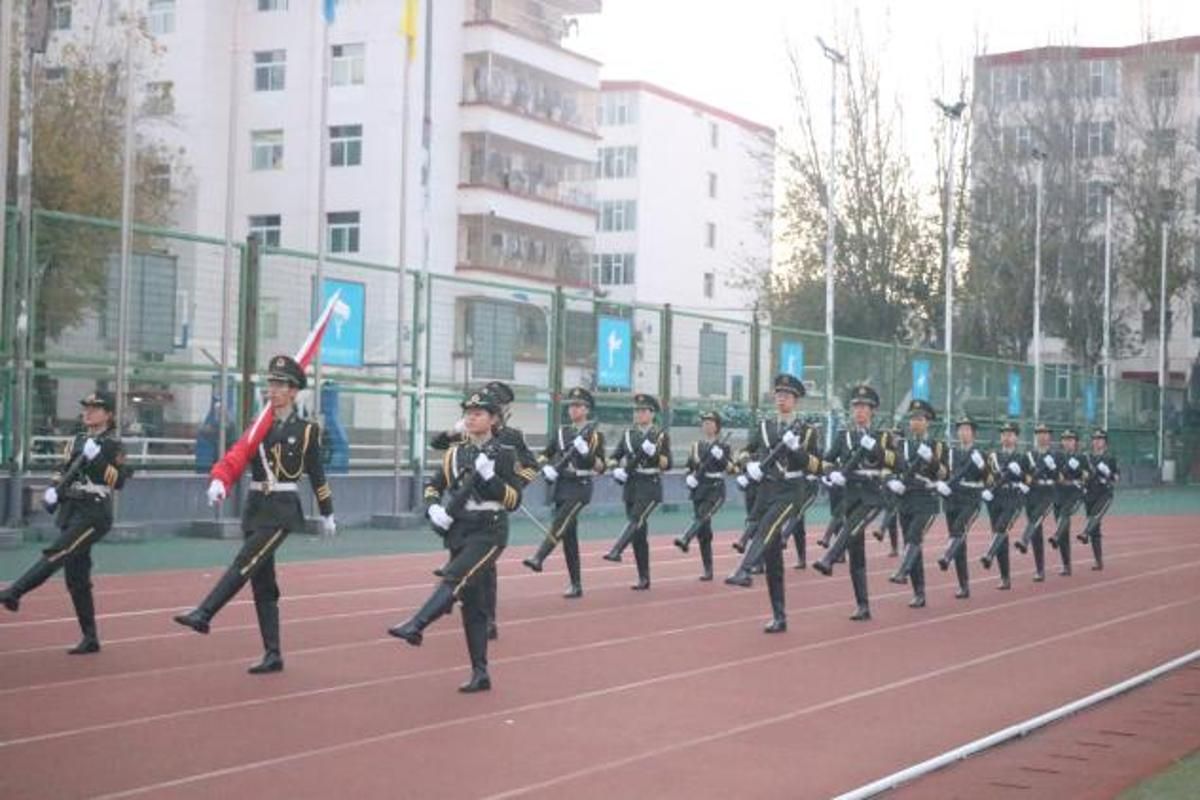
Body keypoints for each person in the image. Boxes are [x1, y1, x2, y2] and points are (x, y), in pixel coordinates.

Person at [174, 355, 335, 674]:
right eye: (271, 383)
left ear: (293, 391)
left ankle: (204, 613)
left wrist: (327, 512)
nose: (272, 389)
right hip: (256, 506)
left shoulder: (307, 431)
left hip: (282, 509)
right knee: (263, 583)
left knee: (245, 561)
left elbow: (317, 474)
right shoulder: (258, 426)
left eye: (279, 385)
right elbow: (237, 456)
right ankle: (273, 654)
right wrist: (221, 481)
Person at [387, 387, 522, 693]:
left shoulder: (504, 454)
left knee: (455, 577)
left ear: (494, 419)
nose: (471, 418)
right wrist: (433, 508)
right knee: (473, 606)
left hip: (490, 531)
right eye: (468, 414)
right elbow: (434, 487)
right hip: (460, 530)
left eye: (478, 414)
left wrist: (491, 478)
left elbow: (514, 500)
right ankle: (480, 673)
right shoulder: (455, 453)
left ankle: (417, 624)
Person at [0, 392, 133, 654]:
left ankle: (15, 591)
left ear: (108, 414)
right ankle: (90, 638)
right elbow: (63, 470)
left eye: (96, 408)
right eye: (87, 407)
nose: (88, 412)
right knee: (77, 578)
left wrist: (98, 459)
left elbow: (118, 481)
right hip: (71, 509)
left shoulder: (112, 444)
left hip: (94, 512)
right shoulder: (77, 440)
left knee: (59, 551)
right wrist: (54, 490)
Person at [430, 381, 537, 640]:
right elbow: (437, 444)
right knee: (468, 562)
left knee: (487, 570)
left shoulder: (511, 436)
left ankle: (487, 618)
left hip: (491, 506)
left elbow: (531, 466)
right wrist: (452, 431)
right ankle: (462, 604)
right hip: (463, 509)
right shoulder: (468, 430)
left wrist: (511, 487)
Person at [724, 374, 822, 633]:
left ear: (795, 400)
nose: (781, 399)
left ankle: (745, 569)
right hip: (767, 489)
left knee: (766, 527)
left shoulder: (807, 430)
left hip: (791, 490)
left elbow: (817, 465)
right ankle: (779, 616)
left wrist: (797, 450)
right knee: (773, 557)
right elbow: (746, 450)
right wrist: (749, 464)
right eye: (779, 395)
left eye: (787, 396)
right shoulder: (766, 426)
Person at [812, 384, 900, 622]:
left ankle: (829, 557)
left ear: (872, 411)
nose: (859, 411)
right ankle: (863, 606)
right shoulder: (844, 436)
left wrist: (877, 449)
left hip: (873, 495)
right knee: (856, 550)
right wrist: (832, 473)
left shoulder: (882, 436)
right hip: (850, 494)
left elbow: (897, 462)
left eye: (864, 407)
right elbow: (826, 461)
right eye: (856, 407)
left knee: (851, 527)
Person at [524, 387, 606, 598]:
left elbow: (601, 467)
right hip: (562, 485)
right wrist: (544, 467)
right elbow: (546, 454)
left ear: (587, 410)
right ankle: (576, 584)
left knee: (559, 522)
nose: (573, 409)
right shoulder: (562, 432)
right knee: (569, 537)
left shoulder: (595, 435)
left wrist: (587, 453)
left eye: (578, 406)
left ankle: (539, 557)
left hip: (580, 486)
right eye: (571, 406)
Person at [604, 394, 672, 590]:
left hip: (650, 485)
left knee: (636, 519)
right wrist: (615, 468)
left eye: (643, 411)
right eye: (636, 411)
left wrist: (655, 455)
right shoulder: (628, 434)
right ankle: (644, 577)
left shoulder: (660, 435)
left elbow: (667, 463)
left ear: (652, 414)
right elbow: (614, 456)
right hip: (632, 485)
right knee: (638, 534)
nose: (639, 414)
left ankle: (617, 549)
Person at [887, 400, 950, 609]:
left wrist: (932, 459)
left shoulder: (937, 446)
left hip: (927, 499)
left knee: (914, 537)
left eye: (920, 419)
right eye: (913, 419)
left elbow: (944, 474)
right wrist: (893, 481)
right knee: (911, 544)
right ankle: (919, 592)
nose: (915, 422)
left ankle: (902, 571)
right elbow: (893, 468)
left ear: (927, 422)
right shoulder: (901, 445)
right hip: (906, 498)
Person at [675, 411, 732, 581]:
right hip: (699, 489)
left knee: (702, 516)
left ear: (717, 426)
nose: (706, 425)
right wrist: (689, 478)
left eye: (710, 422)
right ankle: (708, 569)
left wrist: (722, 458)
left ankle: (686, 537)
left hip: (715, 489)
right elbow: (689, 466)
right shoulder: (696, 446)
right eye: (705, 422)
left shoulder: (724, 446)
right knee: (704, 531)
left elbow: (733, 469)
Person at [938, 416, 988, 599]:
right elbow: (943, 472)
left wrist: (982, 466)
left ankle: (946, 556)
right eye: (961, 429)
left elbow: (989, 478)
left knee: (959, 529)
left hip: (971, 499)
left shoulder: (980, 454)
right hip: (952, 499)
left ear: (973, 434)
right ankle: (963, 585)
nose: (963, 433)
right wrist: (941, 483)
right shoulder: (951, 453)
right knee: (958, 540)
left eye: (967, 429)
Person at [979, 421, 1030, 591]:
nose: (1006, 437)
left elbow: (1030, 479)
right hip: (996, 498)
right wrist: (986, 490)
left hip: (1013, 498)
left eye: (1010, 434)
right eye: (1004, 434)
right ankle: (1005, 577)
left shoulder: (1023, 457)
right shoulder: (993, 456)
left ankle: (989, 555)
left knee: (1001, 528)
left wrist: (1021, 474)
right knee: (999, 535)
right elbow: (986, 476)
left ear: (1016, 438)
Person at [1015, 423, 1058, 582]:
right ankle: (1040, 569)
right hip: (1032, 494)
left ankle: (1023, 540)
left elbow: (1060, 477)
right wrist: (1023, 481)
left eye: (1045, 433)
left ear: (1049, 436)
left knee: (1035, 518)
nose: (1042, 436)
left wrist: (1053, 468)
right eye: (1039, 433)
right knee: (1036, 531)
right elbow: (1022, 475)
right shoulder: (1028, 456)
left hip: (1048, 493)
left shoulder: (1056, 456)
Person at [1048, 429, 1089, 576]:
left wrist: (1079, 470)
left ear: (1076, 442)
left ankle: (1056, 536)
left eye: (1070, 440)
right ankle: (1066, 565)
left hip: (1074, 494)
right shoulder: (1057, 456)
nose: (1067, 442)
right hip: (1059, 494)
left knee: (1065, 515)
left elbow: (1088, 475)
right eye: (1065, 439)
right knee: (1063, 530)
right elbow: (1052, 473)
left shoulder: (1082, 457)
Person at [1081, 429, 1119, 570]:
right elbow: (1082, 475)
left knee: (1095, 516)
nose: (1097, 441)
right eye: (1095, 439)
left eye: (1100, 439)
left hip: (1104, 494)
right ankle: (1098, 561)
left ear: (1105, 443)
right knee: (1095, 528)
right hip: (1090, 494)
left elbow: (1116, 478)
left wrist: (1107, 472)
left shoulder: (1110, 458)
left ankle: (1085, 533)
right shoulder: (1087, 458)